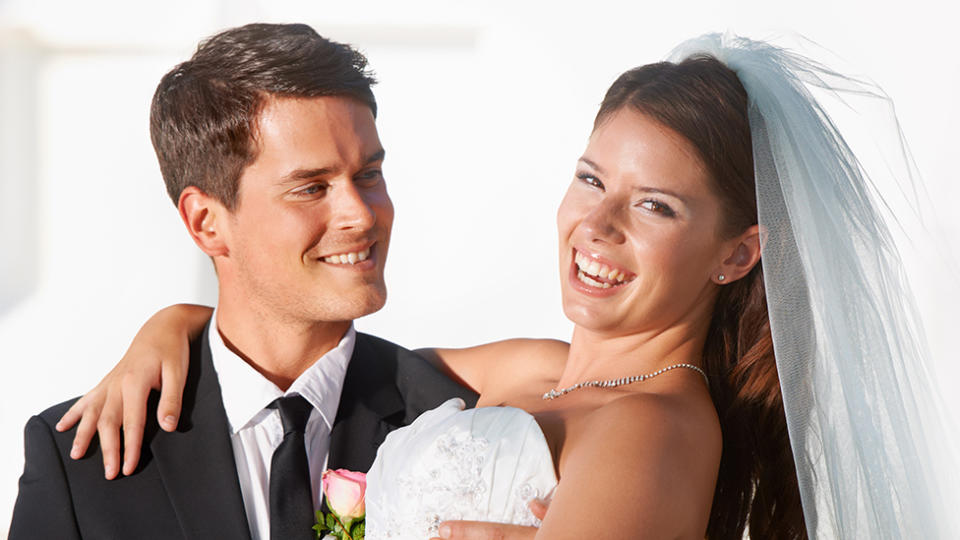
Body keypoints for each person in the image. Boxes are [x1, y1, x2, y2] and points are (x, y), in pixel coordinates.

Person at [32, 33, 959, 539]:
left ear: (737, 254)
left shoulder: (659, 426)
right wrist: (178, 323)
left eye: (658, 207)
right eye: (593, 180)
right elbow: (314, 351)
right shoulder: (523, 372)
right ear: (207, 223)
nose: (598, 227)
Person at [7, 23, 490, 540]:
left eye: (368, 175)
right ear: (206, 223)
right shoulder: (80, 463)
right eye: (311, 187)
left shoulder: (462, 423)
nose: (361, 215)